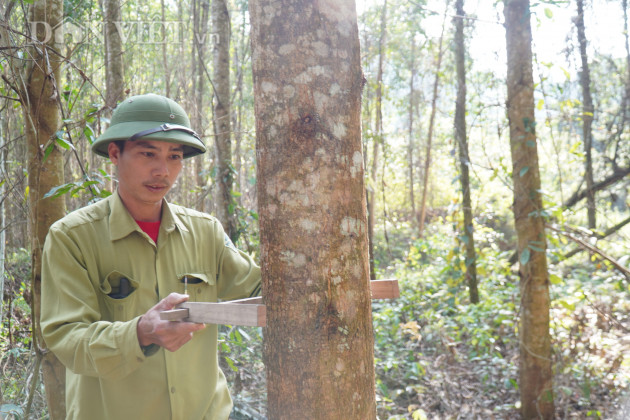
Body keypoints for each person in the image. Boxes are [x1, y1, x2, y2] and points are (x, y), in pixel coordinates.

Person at [40, 93, 261, 420]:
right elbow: (68, 337)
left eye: (175, 156)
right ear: (115, 153)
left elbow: (258, 292)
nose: (163, 170)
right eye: (148, 154)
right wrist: (141, 331)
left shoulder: (205, 232)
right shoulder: (72, 237)